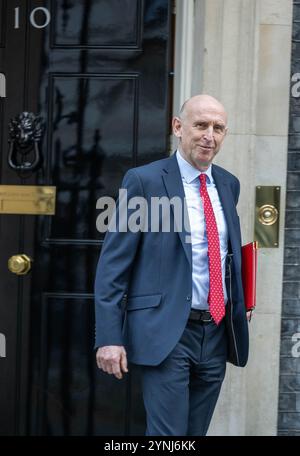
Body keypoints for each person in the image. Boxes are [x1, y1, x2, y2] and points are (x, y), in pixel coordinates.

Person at [94, 94, 250, 436]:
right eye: (201, 125)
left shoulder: (228, 184)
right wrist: (108, 337)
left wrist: (239, 300)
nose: (210, 135)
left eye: (218, 128)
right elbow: (112, 267)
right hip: (167, 333)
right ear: (178, 127)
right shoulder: (145, 182)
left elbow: (225, 253)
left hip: (216, 332)